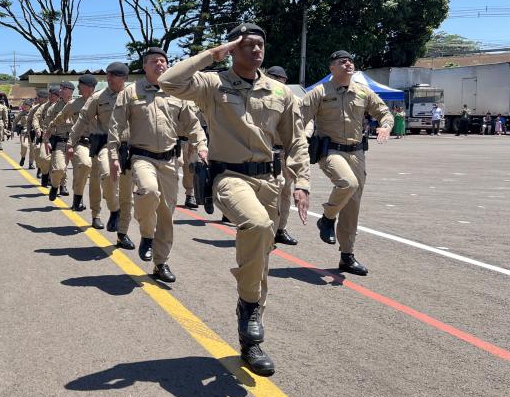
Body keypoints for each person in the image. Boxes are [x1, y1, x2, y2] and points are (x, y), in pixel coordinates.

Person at [161, 23, 310, 377]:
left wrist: (302, 181)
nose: (256, 50)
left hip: (269, 181)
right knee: (256, 225)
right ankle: (249, 307)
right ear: (233, 49)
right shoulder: (213, 84)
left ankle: (250, 339)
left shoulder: (279, 91)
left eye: (260, 44)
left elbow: (296, 140)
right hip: (229, 177)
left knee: (260, 258)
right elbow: (169, 82)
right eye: (247, 45)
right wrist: (212, 54)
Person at [109, 47, 208, 285]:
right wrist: (113, 155)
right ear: (145, 66)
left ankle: (160, 262)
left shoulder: (177, 92)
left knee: (166, 214)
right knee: (148, 191)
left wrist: (202, 145)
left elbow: (193, 123)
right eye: (154, 61)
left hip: (170, 161)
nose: (160, 64)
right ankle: (146, 235)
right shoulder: (131, 92)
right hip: (142, 157)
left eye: (163, 61)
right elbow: (115, 124)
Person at [301, 50, 393, 277]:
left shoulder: (363, 91)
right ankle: (327, 218)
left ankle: (347, 256)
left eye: (351, 60)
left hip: (357, 153)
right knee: (348, 183)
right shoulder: (320, 92)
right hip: (330, 151)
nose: (349, 64)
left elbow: (384, 112)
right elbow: (298, 118)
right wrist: (298, 140)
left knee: (352, 206)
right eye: (342, 61)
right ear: (332, 68)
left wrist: (386, 126)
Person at [71, 61, 135, 249]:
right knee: (107, 175)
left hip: (130, 146)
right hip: (106, 145)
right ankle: (113, 210)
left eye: (113, 75)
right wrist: (70, 143)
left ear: (124, 78)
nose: (109, 78)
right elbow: (82, 119)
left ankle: (122, 234)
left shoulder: (135, 95)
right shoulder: (98, 98)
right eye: (107, 74)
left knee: (127, 194)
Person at [54, 75, 103, 228]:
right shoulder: (74, 104)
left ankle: (96, 215)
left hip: (100, 144)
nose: (78, 88)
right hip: (81, 142)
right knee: (84, 164)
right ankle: (78, 195)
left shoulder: (102, 101)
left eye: (80, 85)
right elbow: (60, 117)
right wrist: (49, 130)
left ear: (89, 87)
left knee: (96, 181)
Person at [264, 65, 304, 246]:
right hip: (267, 151)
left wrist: (304, 136)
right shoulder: (260, 97)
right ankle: (267, 230)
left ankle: (280, 229)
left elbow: (306, 122)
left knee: (286, 192)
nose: (277, 83)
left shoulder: (294, 99)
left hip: (287, 151)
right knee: (272, 190)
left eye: (280, 80)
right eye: (273, 78)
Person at [44, 81, 76, 201]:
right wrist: (46, 140)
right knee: (59, 168)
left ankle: (78, 198)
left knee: (81, 170)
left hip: (77, 142)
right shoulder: (53, 108)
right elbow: (47, 125)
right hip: (60, 141)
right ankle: (55, 185)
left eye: (63, 88)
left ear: (70, 91)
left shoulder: (79, 105)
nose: (60, 91)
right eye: (60, 88)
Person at [35, 86, 63, 189]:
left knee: (59, 162)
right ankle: (45, 174)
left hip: (61, 137)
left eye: (52, 95)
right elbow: (35, 117)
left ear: (58, 96)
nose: (50, 97)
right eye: (49, 94)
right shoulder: (44, 107)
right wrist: (37, 129)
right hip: (47, 136)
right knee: (44, 158)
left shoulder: (65, 106)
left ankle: (62, 185)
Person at [26, 90, 49, 172]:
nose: (37, 99)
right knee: (37, 150)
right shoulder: (34, 108)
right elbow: (29, 121)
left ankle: (46, 171)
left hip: (50, 132)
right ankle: (39, 167)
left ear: (45, 98)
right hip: (38, 132)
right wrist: (29, 131)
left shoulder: (52, 107)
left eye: (39, 97)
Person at [15, 100, 31, 167]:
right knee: (24, 145)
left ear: (29, 106)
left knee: (33, 149)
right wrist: (13, 130)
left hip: (32, 132)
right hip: (24, 132)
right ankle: (23, 157)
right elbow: (15, 121)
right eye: (24, 105)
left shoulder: (34, 112)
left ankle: (31, 163)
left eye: (26, 105)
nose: (24, 106)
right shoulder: (21, 113)